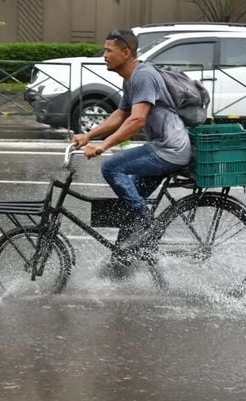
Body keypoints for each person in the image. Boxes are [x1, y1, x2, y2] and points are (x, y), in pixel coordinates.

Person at [72, 29, 192, 278]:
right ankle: (122, 262)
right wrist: (89, 135)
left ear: (126, 53)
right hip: (162, 147)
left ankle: (148, 227)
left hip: (169, 149)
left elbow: (137, 120)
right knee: (129, 202)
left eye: (108, 51)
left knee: (111, 167)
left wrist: (104, 146)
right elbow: (121, 114)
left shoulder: (143, 76)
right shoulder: (131, 78)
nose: (104, 55)